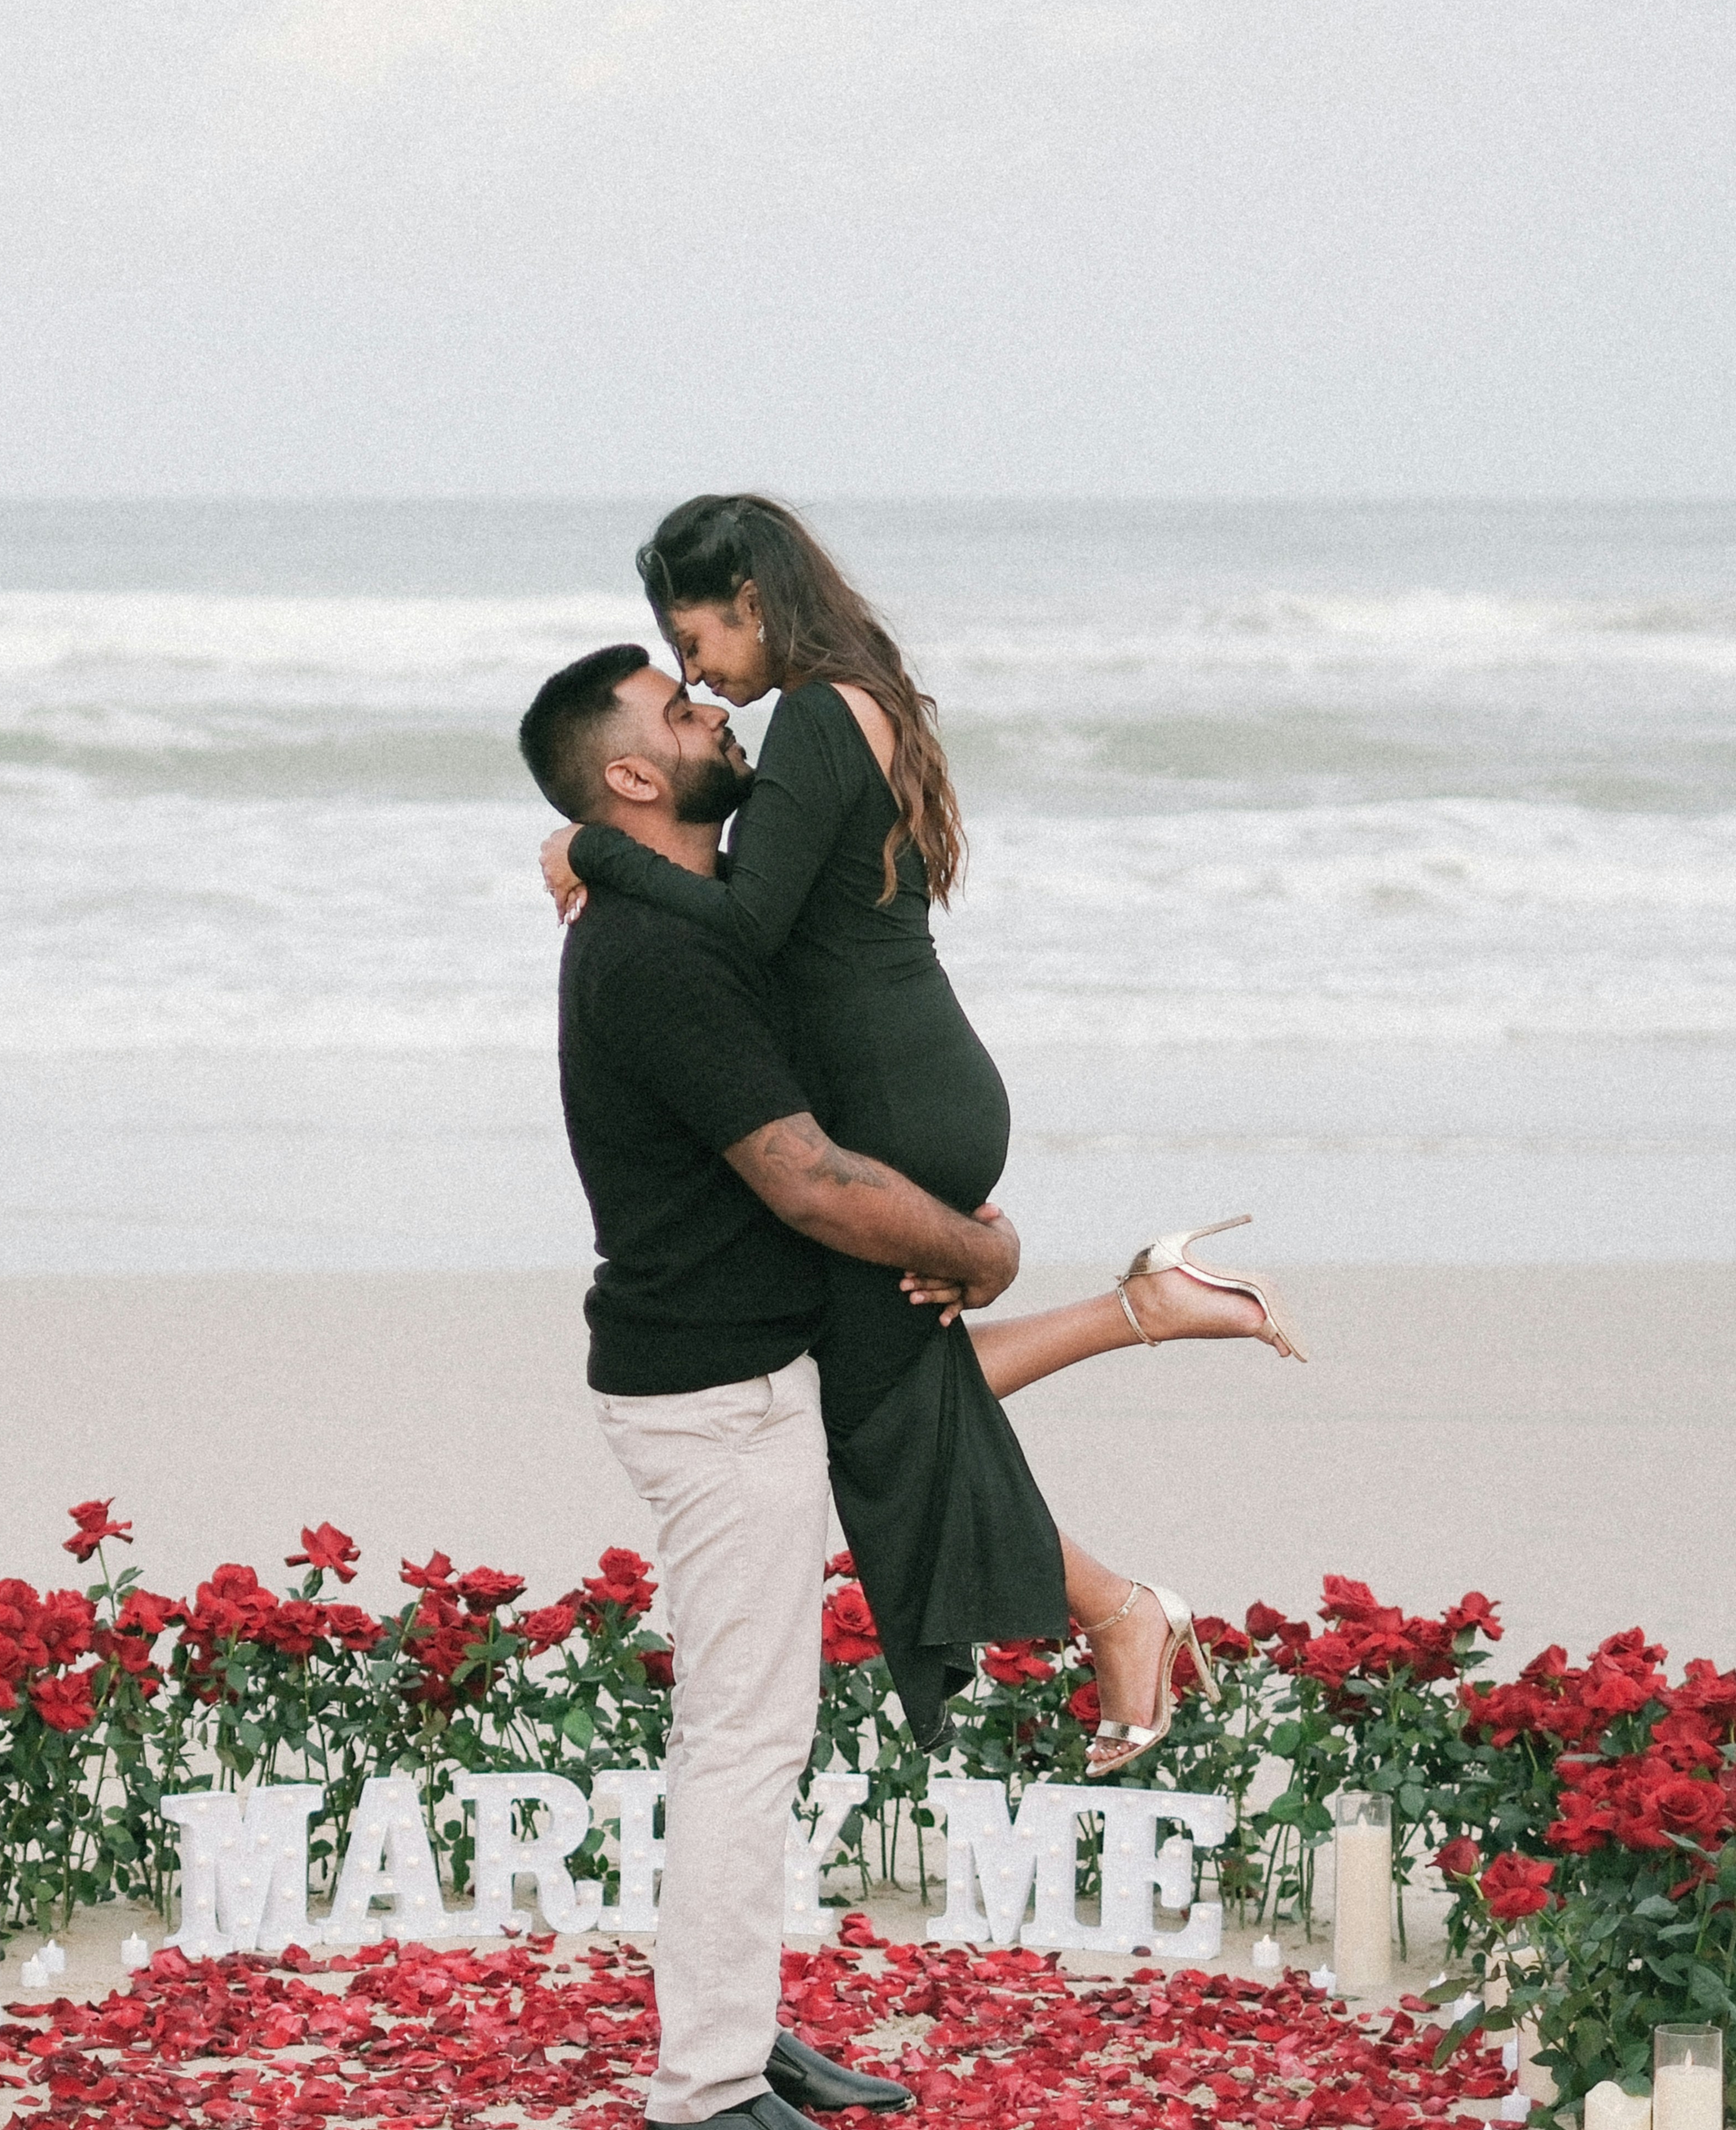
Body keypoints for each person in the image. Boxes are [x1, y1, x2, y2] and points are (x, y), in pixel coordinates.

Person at [543, 495, 1304, 1774]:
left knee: (859, 1409)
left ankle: (1120, 1603)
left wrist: (589, 848)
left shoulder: (823, 712)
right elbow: (762, 905)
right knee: (864, 1401)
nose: (697, 677)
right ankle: (1147, 1327)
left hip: (895, 1102)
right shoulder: (849, 701)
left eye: (693, 643)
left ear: (749, 596)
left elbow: (735, 929)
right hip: (910, 1084)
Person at [525, 642, 1020, 2130]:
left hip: (733, 1376)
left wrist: (575, 848)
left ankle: (737, 2019)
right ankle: (705, 2083)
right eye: (681, 712)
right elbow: (801, 1175)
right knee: (740, 1736)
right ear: (626, 775)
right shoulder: (653, 958)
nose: (716, 713)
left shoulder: (678, 908)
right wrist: (977, 1249)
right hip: (708, 1392)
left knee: (757, 1728)